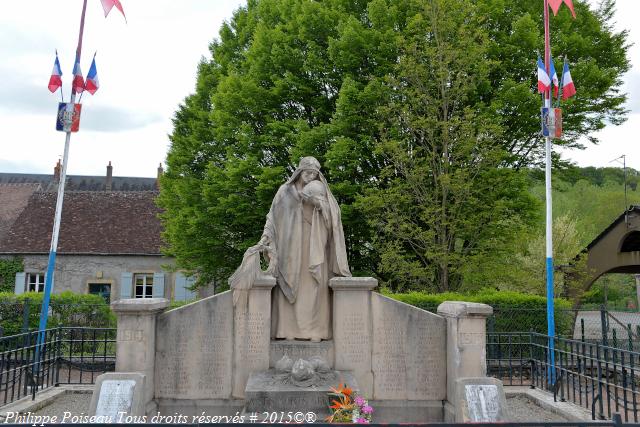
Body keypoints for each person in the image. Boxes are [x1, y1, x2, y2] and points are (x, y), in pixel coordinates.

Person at [259, 156, 351, 341]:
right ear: (299, 172)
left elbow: (333, 219)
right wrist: (266, 237)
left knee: (314, 286)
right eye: (307, 172)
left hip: (313, 245)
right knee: (290, 283)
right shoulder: (284, 191)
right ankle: (287, 331)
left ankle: (316, 331)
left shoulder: (319, 191)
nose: (310, 177)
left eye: (314, 174)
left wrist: (318, 204)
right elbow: (272, 217)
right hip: (289, 247)